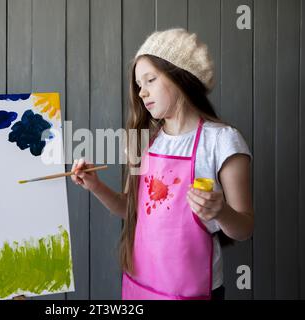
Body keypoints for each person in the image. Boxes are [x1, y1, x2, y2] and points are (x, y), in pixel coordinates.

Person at [71, 28, 254, 300]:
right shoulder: (144, 142)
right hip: (140, 288)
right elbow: (129, 209)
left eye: (150, 80)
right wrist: (96, 186)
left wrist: (221, 211)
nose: (142, 93)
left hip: (195, 292)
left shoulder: (222, 141)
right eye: (138, 85)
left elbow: (244, 229)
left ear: (181, 76)